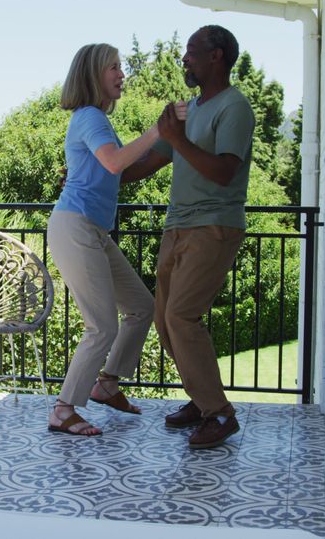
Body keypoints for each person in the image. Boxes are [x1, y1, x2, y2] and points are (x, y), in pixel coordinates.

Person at [122, 25, 255, 449]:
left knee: (181, 316)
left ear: (216, 56)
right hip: (177, 225)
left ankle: (220, 414)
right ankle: (202, 401)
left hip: (214, 225)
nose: (185, 59)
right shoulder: (188, 109)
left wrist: (177, 137)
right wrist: (93, 178)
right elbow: (146, 164)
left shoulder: (234, 107)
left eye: (192, 52)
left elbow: (224, 171)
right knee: (164, 319)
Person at [46, 43, 159, 436]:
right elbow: (115, 161)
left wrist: (170, 145)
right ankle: (63, 409)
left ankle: (107, 384)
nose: (121, 74)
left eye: (120, 66)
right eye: (113, 67)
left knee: (143, 307)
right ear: (94, 74)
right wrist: (159, 129)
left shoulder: (96, 120)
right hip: (74, 227)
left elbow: (121, 167)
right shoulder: (90, 116)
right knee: (101, 326)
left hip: (92, 229)